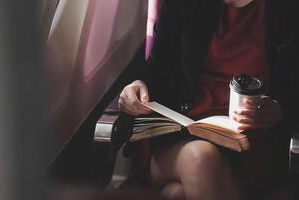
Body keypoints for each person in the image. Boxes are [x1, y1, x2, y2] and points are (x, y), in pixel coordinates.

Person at [118, 0, 299, 199]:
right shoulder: (184, 4)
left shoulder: (287, 8)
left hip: (253, 145)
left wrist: (280, 111)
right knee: (201, 159)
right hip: (181, 138)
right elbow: (158, 66)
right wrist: (136, 86)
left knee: (177, 194)